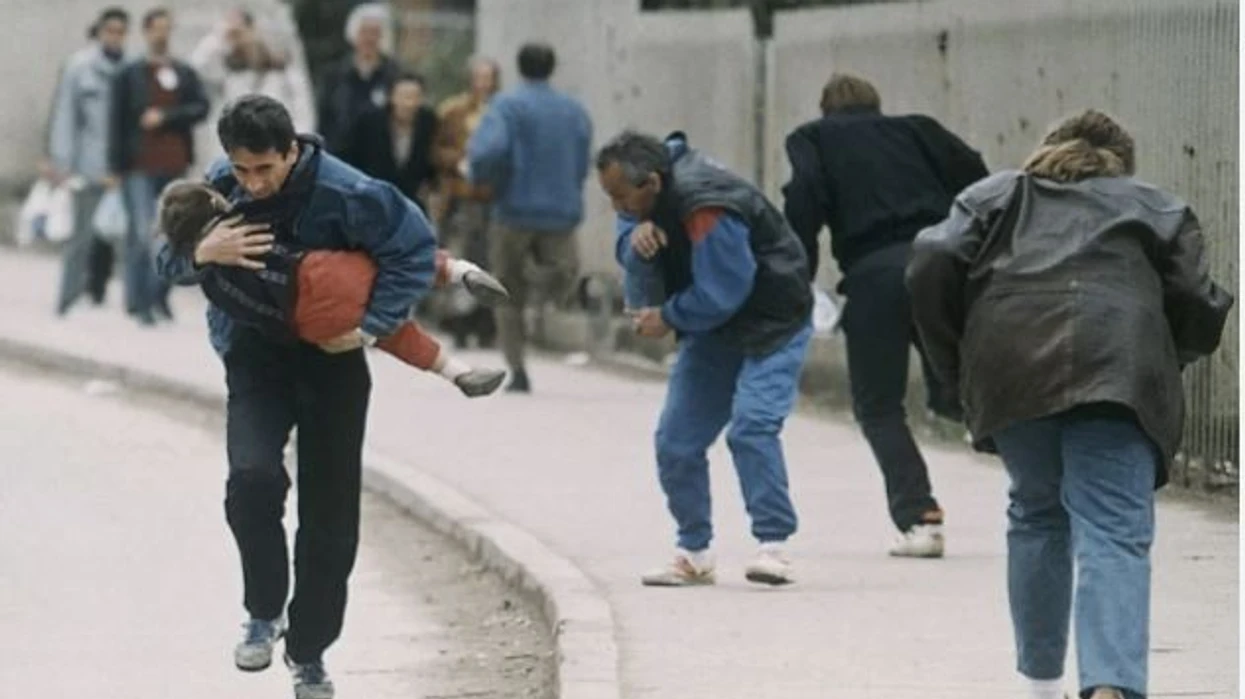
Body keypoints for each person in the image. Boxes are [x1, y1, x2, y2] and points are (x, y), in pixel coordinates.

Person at [906, 110, 1232, 699]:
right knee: (1114, 530)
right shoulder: (1156, 207)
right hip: (1119, 370)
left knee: (1036, 514)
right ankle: (1110, 686)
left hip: (1012, 367)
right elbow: (1196, 299)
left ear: (1047, 151)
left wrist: (957, 360)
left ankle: (1041, 685)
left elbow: (932, 257)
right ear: (1121, 165)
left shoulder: (995, 196)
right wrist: (1164, 356)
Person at [155, 94, 437, 699]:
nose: (253, 183)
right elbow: (164, 259)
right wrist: (201, 253)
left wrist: (370, 327)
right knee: (251, 480)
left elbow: (414, 251)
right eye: (242, 169)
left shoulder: (350, 192)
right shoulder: (219, 186)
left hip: (332, 359)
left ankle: (309, 653)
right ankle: (263, 611)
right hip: (254, 356)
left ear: (291, 151)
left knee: (330, 520)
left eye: (265, 168)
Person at [781, 72, 988, 557]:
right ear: (876, 104)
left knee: (879, 406)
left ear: (826, 109)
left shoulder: (813, 138)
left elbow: (804, 203)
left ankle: (920, 517)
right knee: (960, 394)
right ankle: (1048, 487)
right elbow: (978, 179)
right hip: (940, 266)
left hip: (875, 277)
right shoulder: (918, 129)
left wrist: (799, 279)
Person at [596, 130, 813, 587]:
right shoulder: (643, 201)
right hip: (713, 329)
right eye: (609, 197)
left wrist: (667, 316)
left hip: (773, 319)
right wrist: (635, 238)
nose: (616, 207)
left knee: (752, 426)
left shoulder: (706, 205)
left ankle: (774, 545)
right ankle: (693, 551)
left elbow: (723, 290)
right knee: (676, 441)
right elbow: (627, 246)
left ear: (652, 183)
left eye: (621, 197)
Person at [156, 179, 508, 396]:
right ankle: (457, 271)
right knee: (383, 267)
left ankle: (457, 373)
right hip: (316, 273)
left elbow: (170, 264)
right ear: (214, 201)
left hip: (306, 322)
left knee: (395, 335)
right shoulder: (244, 214)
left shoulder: (213, 281)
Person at [467, 42, 592, 393]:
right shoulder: (573, 110)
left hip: (513, 209)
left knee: (505, 289)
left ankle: (517, 367)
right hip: (560, 210)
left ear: (519, 68)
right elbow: (583, 159)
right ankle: (540, 294)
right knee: (564, 271)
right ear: (552, 68)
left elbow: (489, 150)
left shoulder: (507, 106)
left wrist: (484, 180)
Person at [110, 6, 209, 326]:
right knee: (141, 233)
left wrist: (166, 117)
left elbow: (201, 107)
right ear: (146, 31)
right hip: (138, 165)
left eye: (167, 28)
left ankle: (159, 295)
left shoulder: (183, 72)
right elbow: (115, 121)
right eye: (157, 28)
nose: (162, 34)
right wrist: (113, 167)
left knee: (176, 233)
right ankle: (139, 302)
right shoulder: (129, 74)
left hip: (174, 163)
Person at [48, 7, 130, 316]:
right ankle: (66, 300)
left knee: (126, 238)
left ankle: (130, 306)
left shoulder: (131, 68)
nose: (114, 37)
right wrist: (62, 162)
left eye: (120, 32)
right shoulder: (80, 67)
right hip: (88, 165)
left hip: (124, 167)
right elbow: (65, 116)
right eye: (110, 31)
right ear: (99, 32)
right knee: (80, 237)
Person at [432, 55, 501, 349]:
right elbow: (436, 149)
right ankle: (459, 320)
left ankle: (486, 322)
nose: (483, 83)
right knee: (461, 257)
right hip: (460, 196)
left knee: (490, 259)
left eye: (489, 77)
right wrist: (458, 160)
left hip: (493, 197)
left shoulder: (502, 112)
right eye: (479, 77)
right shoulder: (453, 111)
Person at [190, 6, 317, 162]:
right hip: (240, 150)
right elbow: (197, 67)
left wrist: (298, 140)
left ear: (253, 30)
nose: (239, 38)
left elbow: (303, 107)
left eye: (241, 32)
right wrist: (219, 36)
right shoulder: (226, 68)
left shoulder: (280, 68)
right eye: (233, 34)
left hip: (278, 148)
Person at [315, 2, 400, 163]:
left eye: (375, 33)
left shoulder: (394, 75)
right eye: (364, 32)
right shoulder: (334, 75)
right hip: (339, 156)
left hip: (379, 160)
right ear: (354, 34)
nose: (369, 38)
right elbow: (323, 120)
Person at [345, 72, 438, 210]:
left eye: (415, 97)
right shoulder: (369, 122)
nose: (409, 103)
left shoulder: (428, 122)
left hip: (412, 201)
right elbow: (351, 156)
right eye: (404, 96)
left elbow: (433, 160)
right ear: (391, 97)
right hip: (373, 197)